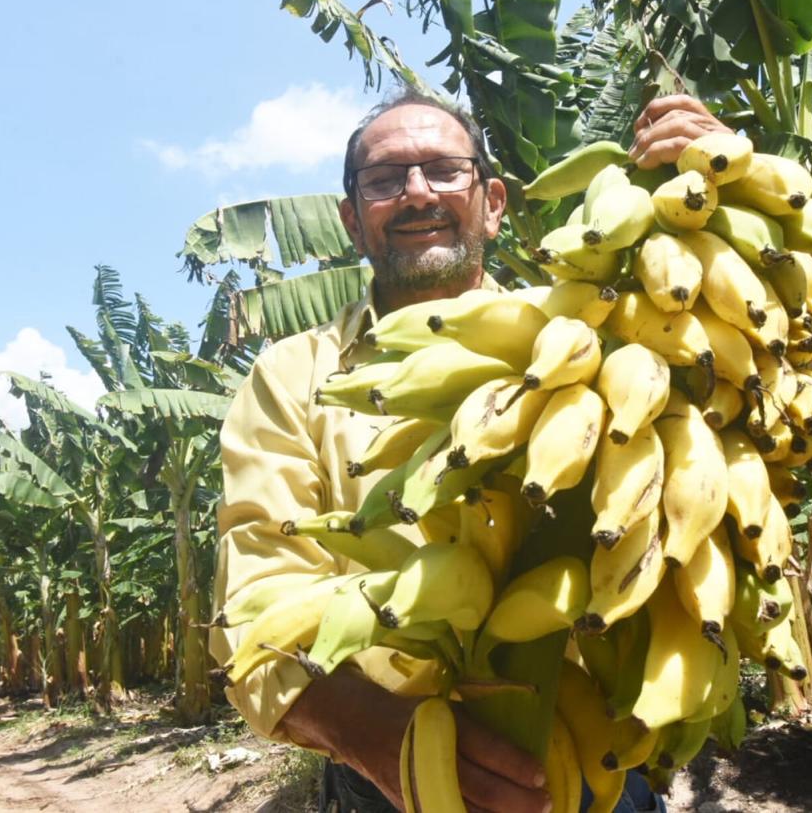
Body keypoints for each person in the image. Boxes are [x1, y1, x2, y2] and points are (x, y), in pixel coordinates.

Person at [210, 87, 730, 812]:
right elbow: (254, 611)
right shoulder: (296, 377)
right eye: (386, 180)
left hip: (594, 764)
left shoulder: (591, 336)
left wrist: (714, 193)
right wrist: (380, 736)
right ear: (352, 221)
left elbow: (738, 414)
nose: (418, 192)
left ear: (492, 200)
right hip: (389, 771)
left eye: (443, 170)